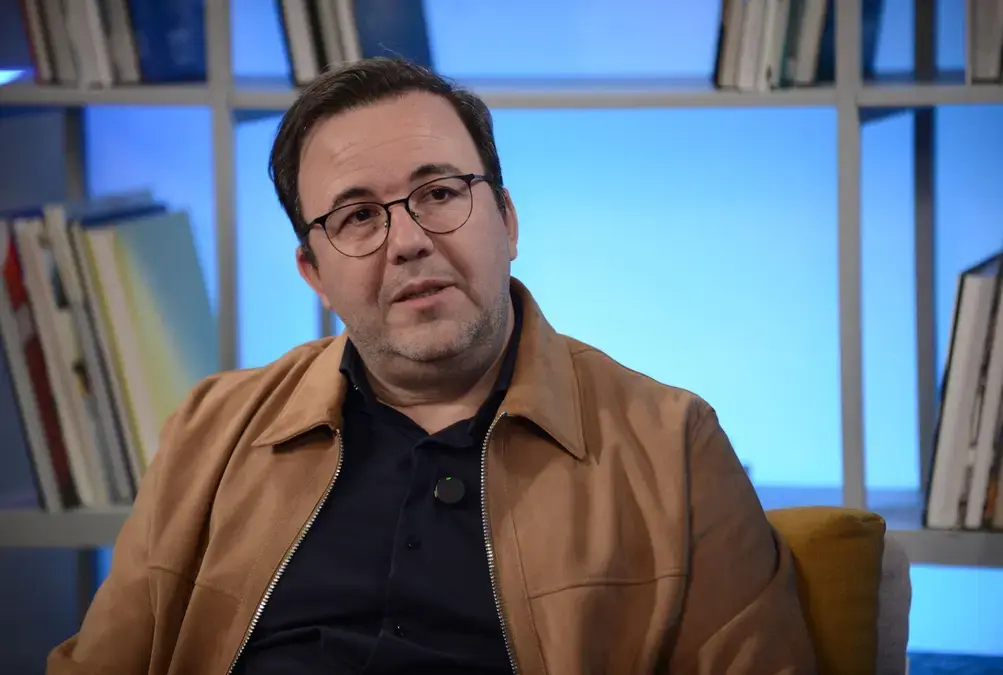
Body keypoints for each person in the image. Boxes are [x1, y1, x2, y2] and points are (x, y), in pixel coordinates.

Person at [48, 57, 816, 675]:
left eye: (440, 192)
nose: (409, 240)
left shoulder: (671, 444)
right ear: (314, 272)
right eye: (357, 216)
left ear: (506, 221)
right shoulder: (211, 429)